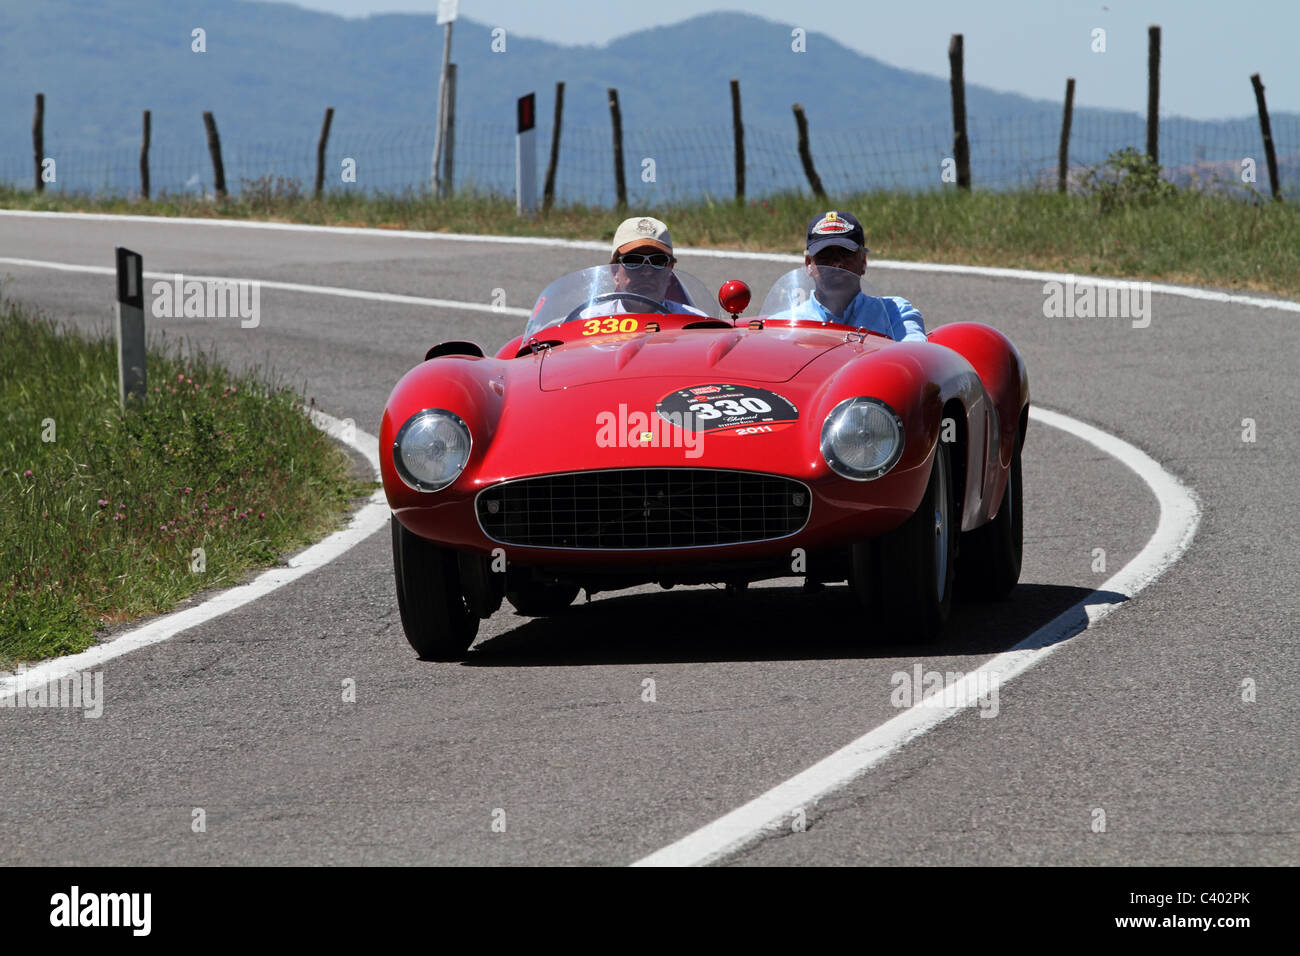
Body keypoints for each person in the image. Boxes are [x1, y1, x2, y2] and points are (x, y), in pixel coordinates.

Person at [773, 210, 926, 341]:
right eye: (825, 256)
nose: (837, 264)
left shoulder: (895, 313)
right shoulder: (783, 325)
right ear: (809, 265)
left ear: (863, 261)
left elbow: (915, 359)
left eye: (846, 254)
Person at [578, 216, 709, 318]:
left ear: (670, 271)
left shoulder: (694, 324)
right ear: (615, 272)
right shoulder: (587, 321)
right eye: (633, 260)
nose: (647, 272)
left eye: (657, 261)